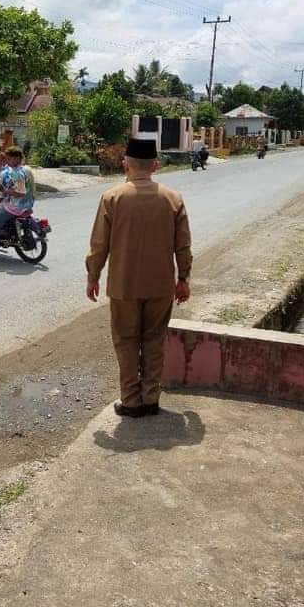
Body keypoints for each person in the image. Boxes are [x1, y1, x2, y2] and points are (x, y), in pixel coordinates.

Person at [85, 137, 192, 418]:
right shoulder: (173, 199)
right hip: (161, 285)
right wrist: (183, 278)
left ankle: (131, 401)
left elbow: (99, 245)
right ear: (155, 166)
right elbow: (183, 245)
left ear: (126, 164)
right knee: (154, 340)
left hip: (123, 285)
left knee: (126, 340)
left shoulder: (112, 198)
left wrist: (93, 276)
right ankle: (151, 398)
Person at [0, 146, 34, 265]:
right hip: (21, 205)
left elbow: (20, 193)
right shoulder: (22, 170)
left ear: (16, 159)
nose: (7, 162)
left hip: (14, 207)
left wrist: (4, 191)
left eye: (8, 159)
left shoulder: (17, 173)